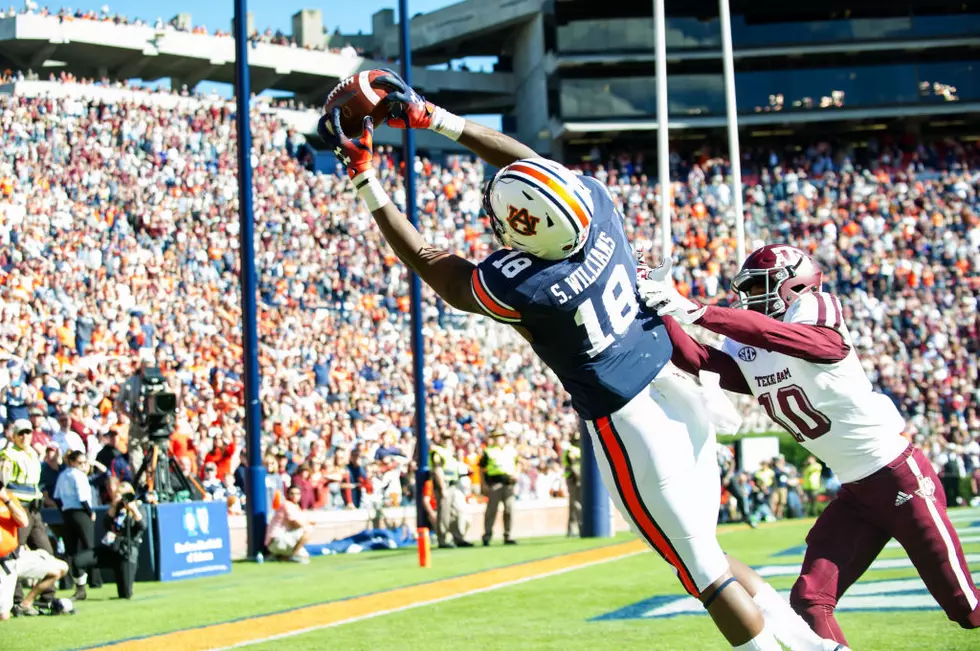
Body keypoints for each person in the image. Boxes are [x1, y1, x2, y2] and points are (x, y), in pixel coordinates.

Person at [320, 72, 840, 651]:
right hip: (678, 385)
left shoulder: (528, 287)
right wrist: (431, 116)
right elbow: (531, 162)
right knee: (707, 552)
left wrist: (363, 176)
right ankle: (816, 646)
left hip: (630, 421)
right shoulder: (596, 201)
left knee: (700, 571)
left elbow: (430, 260)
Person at [639, 243, 980, 646]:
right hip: (855, 493)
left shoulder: (817, 310)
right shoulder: (753, 341)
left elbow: (801, 341)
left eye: (761, 285)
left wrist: (697, 310)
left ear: (796, 284)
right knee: (810, 599)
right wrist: (658, 307)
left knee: (965, 607)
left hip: (898, 477)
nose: (752, 296)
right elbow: (698, 358)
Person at [0, 418, 56, 609]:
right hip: (18, 507)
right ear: (13, 436)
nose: (25, 437)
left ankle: (45, 597)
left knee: (47, 552)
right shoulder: (8, 455)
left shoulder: (32, 453)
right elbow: (3, 483)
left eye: (28, 433)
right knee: (14, 554)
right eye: (21, 433)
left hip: (34, 508)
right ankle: (15, 600)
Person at [0, 486, 68, 618]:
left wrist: (6, 499)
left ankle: (26, 604)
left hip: (16, 557)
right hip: (3, 565)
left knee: (60, 568)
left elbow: (24, 522)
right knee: (3, 616)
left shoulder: (9, 498)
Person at [73, 481, 145, 600]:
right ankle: (80, 591)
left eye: (125, 495)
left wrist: (132, 508)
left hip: (126, 553)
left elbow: (142, 526)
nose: (123, 499)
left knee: (125, 594)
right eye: (119, 494)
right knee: (78, 561)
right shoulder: (115, 509)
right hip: (110, 549)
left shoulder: (138, 507)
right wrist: (114, 505)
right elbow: (106, 524)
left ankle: (125, 580)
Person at [54, 450, 97, 600]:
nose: (83, 466)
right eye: (80, 462)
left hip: (67, 513)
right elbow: (83, 497)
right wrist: (90, 512)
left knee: (70, 550)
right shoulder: (78, 475)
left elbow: (57, 498)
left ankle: (70, 583)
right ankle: (94, 580)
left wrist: (64, 511)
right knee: (90, 547)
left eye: (85, 462)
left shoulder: (62, 475)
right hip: (80, 512)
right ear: (72, 462)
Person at [430, 433, 472, 549]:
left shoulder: (450, 453)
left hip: (454, 484)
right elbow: (438, 470)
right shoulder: (438, 452)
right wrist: (442, 487)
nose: (448, 441)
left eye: (449, 439)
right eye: (445, 439)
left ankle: (458, 537)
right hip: (445, 485)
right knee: (444, 513)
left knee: (457, 511)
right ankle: (442, 540)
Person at [480, 431, 517, 546]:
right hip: (494, 483)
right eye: (495, 437)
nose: (498, 439)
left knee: (509, 510)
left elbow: (517, 463)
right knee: (491, 511)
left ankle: (508, 535)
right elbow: (481, 468)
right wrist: (484, 484)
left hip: (508, 483)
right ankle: (487, 535)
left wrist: (516, 474)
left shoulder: (510, 450)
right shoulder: (488, 451)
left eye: (500, 437)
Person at [265, 485, 312, 564]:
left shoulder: (295, 506)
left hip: (283, 539)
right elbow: (296, 524)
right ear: (287, 494)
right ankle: (293, 555)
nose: (294, 496)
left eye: (297, 494)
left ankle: (280, 556)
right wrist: (308, 523)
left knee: (305, 556)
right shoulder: (287, 505)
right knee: (308, 530)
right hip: (276, 540)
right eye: (292, 493)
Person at [563, 431, 582, 537]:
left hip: (576, 478)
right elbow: (573, 467)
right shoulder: (572, 451)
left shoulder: (577, 449)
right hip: (574, 478)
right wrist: (579, 478)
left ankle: (572, 529)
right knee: (577, 504)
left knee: (573, 504)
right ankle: (580, 526)